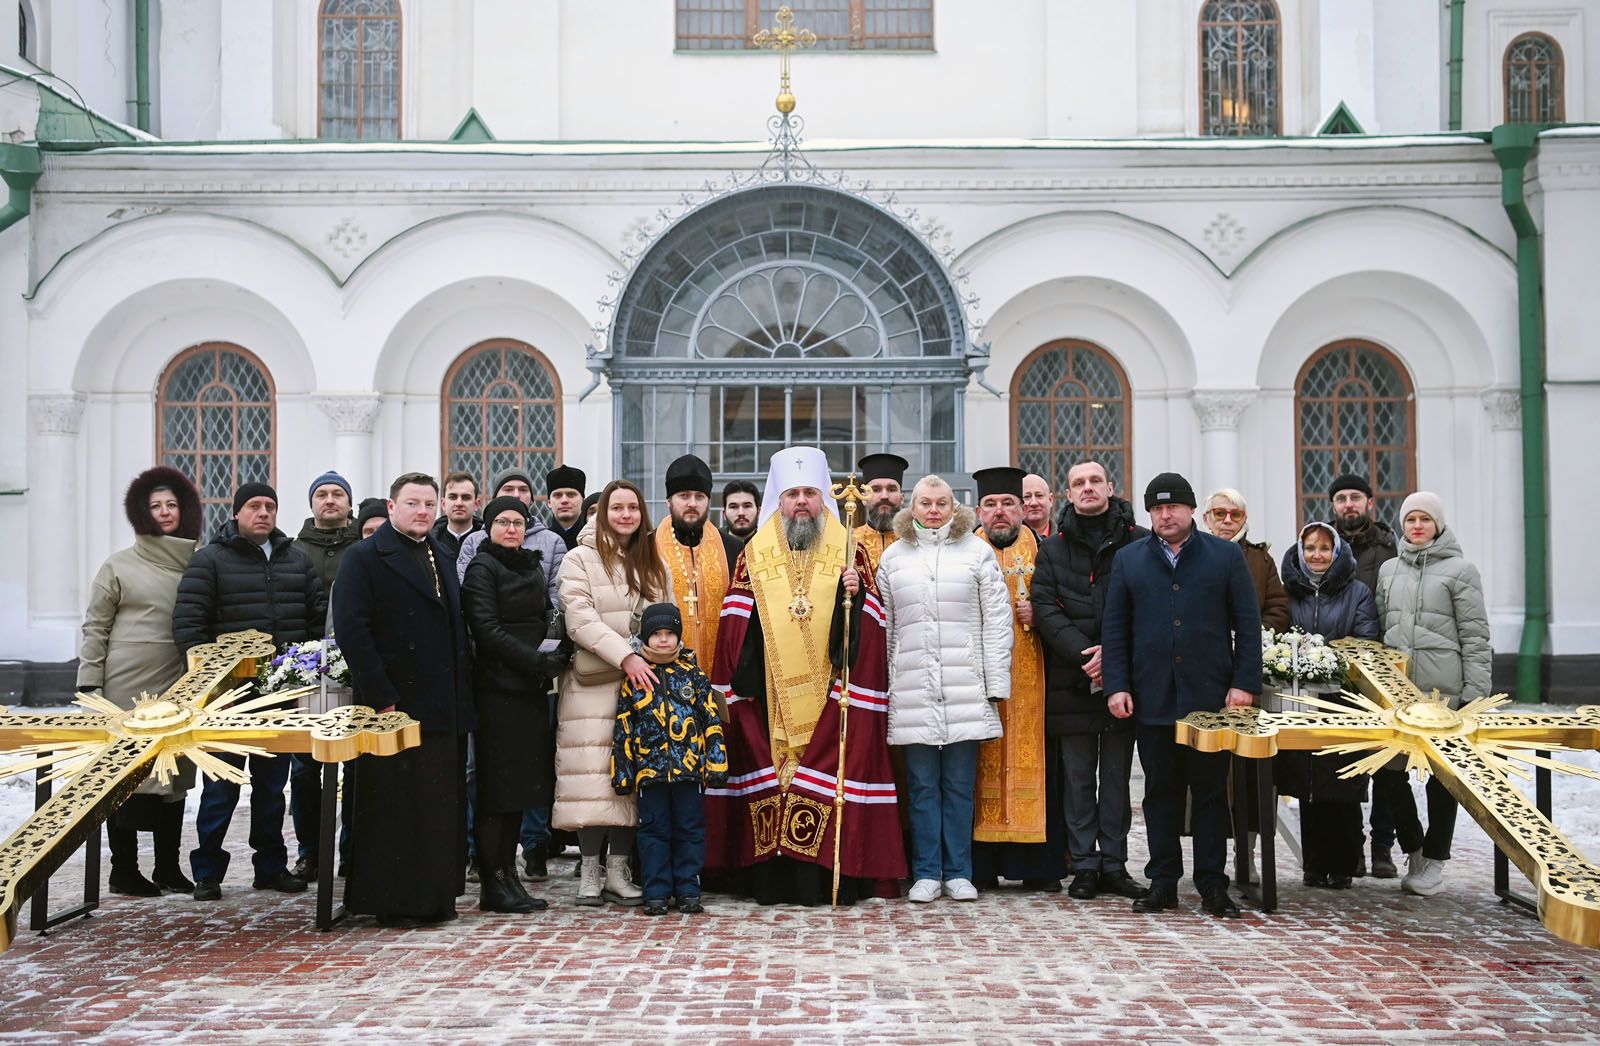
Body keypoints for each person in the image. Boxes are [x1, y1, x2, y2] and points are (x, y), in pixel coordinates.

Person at [703, 447, 907, 905]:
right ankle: (771, 878)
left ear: (823, 500)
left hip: (833, 695)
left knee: (827, 779)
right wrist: (742, 689)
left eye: (810, 493)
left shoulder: (849, 546)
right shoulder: (755, 554)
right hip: (771, 698)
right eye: (792, 493)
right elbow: (737, 626)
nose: (801, 502)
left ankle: (830, 873)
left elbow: (873, 631)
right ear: (779, 498)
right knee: (776, 780)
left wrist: (857, 593)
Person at [1102, 472, 1261, 918]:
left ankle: (1213, 884)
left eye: (1173, 507)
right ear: (1149, 514)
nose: (1165, 515)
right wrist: (1117, 685)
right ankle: (1163, 882)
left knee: (1210, 795)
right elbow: (1115, 629)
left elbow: (1247, 625)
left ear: (1192, 511)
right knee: (1160, 793)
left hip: (1211, 698)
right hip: (1151, 697)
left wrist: (1244, 682)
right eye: (1156, 508)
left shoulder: (1225, 556)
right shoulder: (1130, 560)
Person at [172, 482, 325, 900]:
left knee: (273, 786)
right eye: (254, 506)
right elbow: (189, 626)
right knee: (221, 785)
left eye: (270, 506)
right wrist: (213, 677)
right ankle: (207, 871)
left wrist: (299, 669)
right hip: (228, 697)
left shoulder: (296, 560)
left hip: (278, 696)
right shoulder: (210, 561)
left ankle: (271, 867)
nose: (263, 513)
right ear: (236, 513)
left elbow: (315, 620)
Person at [334, 473, 474, 927]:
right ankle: (395, 900)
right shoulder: (365, 557)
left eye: (428, 504)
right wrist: (381, 697)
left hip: (441, 702)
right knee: (397, 806)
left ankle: (435, 895)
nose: (422, 511)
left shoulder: (438, 552)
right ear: (391, 508)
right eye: (412, 503)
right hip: (394, 705)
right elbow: (354, 632)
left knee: (436, 804)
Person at [878, 475, 1011, 903]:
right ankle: (926, 872)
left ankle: (958, 871)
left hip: (964, 684)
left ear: (954, 508)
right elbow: (886, 628)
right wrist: (885, 684)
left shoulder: (977, 552)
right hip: (913, 685)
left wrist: (995, 682)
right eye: (924, 503)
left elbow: (997, 620)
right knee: (920, 786)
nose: (933, 510)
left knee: (958, 785)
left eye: (941, 503)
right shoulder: (894, 558)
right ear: (911, 509)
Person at [78, 466, 203, 897]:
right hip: (126, 684)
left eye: (172, 504)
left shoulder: (198, 560)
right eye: (156, 506)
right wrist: (89, 682)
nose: (165, 512)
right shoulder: (119, 564)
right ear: (141, 512)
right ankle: (124, 870)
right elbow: (96, 625)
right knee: (127, 777)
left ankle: (168, 867)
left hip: (178, 682)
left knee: (174, 776)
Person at [1031, 460, 1149, 901]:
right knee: (1078, 777)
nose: (1087, 489)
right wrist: (1088, 653)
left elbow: (1148, 604)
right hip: (1073, 680)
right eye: (1078, 483)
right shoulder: (1055, 548)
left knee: (1117, 777)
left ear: (1110, 487)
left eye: (1094, 481)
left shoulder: (1137, 542)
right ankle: (1083, 865)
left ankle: (1115, 865)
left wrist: (1115, 656)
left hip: (1123, 681)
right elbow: (1045, 606)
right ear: (1069, 493)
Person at [553, 479, 667, 907]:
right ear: (602, 513)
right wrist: (626, 656)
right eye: (616, 507)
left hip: (642, 685)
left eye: (632, 508)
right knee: (591, 778)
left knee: (630, 779)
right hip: (593, 684)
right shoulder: (579, 559)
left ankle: (619, 870)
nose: (625, 515)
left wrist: (653, 653)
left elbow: (664, 617)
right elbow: (578, 618)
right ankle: (588, 870)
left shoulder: (652, 560)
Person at [1375, 491, 1490, 899]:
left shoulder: (1461, 571)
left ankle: (1437, 856)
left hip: (1446, 693)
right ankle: (1415, 846)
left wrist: (1475, 695)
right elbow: (1384, 629)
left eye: (1425, 519)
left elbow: (1475, 636)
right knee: (1388, 774)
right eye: (1411, 520)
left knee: (1443, 780)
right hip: (1399, 694)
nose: (1417, 526)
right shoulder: (1389, 570)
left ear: (1438, 525)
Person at [460, 495, 572, 914]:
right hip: (497, 690)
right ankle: (492, 881)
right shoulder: (481, 568)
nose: (512, 529)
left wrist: (556, 650)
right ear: (488, 526)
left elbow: (547, 614)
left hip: (528, 690)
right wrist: (536, 661)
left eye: (519, 522)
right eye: (504, 522)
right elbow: (486, 630)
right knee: (497, 791)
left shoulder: (529, 564)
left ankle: (510, 875)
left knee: (519, 790)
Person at [968, 466, 1060, 892]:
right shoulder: (965, 551)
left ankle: (1038, 865)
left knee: (1037, 762)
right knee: (978, 765)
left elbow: (1070, 603)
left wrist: (1042, 615)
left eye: (1008, 504)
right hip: (978, 676)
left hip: (1036, 677)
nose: (1000, 512)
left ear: (1024, 509)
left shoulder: (1047, 549)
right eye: (991, 504)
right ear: (978, 510)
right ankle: (981, 865)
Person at [1276, 521, 1379, 889]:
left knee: (1343, 785)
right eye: (1310, 548)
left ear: (1336, 552)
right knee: (1308, 784)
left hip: (1343, 700)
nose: (1316, 555)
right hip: (1300, 700)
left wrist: (1330, 659)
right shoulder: (1290, 592)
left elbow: (1367, 639)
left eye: (1323, 548)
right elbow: (1279, 636)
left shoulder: (1357, 593)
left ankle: (1346, 862)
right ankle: (1314, 863)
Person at [611, 602, 728, 915]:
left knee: (690, 830)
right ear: (645, 638)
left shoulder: (693, 675)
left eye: (669, 634)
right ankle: (656, 891)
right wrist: (623, 772)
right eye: (656, 634)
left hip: (688, 772)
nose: (663, 640)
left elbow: (711, 721)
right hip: (651, 773)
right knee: (653, 833)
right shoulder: (635, 679)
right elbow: (624, 726)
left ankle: (689, 888)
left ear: (679, 636)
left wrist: (716, 763)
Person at [288, 469, 361, 881]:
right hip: (308, 673)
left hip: (356, 669)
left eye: (338, 494)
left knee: (354, 763)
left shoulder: (363, 548)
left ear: (349, 503)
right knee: (305, 767)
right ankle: (309, 852)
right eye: (322, 494)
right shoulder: (294, 551)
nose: (330, 500)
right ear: (312, 503)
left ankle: (352, 850)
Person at [1329, 472, 1400, 879]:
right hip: (1337, 673)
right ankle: (1351, 847)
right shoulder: (1323, 546)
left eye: (1356, 497)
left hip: (1382, 668)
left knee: (1387, 763)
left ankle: (1383, 847)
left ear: (1370, 503)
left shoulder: (1391, 549)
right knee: (1346, 762)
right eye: (1341, 499)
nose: (1349, 505)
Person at [655, 454, 743, 693]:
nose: (692, 503)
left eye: (699, 497)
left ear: (708, 501)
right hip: (661, 683)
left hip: (722, 679)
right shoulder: (647, 546)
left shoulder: (733, 549)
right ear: (669, 501)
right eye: (684, 496)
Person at [1202, 488, 1290, 633]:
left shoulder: (1262, 560)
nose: (1228, 520)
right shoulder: (1190, 556)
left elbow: (1278, 608)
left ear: (1244, 519)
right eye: (1220, 514)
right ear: (1206, 518)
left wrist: (1256, 636)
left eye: (1236, 515)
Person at [854, 453, 907, 575]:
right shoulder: (848, 540)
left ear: (902, 498)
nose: (884, 496)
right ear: (863, 498)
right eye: (876, 489)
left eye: (891, 489)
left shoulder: (916, 540)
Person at [432, 470, 483, 559]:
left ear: (476, 504)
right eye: (453, 497)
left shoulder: (488, 542)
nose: (459, 503)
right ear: (443, 504)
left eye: (466, 497)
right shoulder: (428, 544)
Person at [546, 465, 588, 551]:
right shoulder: (541, 541)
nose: (564, 500)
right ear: (549, 502)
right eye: (557, 495)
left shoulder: (594, 540)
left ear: (583, 501)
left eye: (571, 494)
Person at [1022, 473, 1055, 539]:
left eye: (1039, 495)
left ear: (1050, 500)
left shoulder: (1065, 539)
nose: (1034, 503)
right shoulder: (1009, 541)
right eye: (1027, 497)